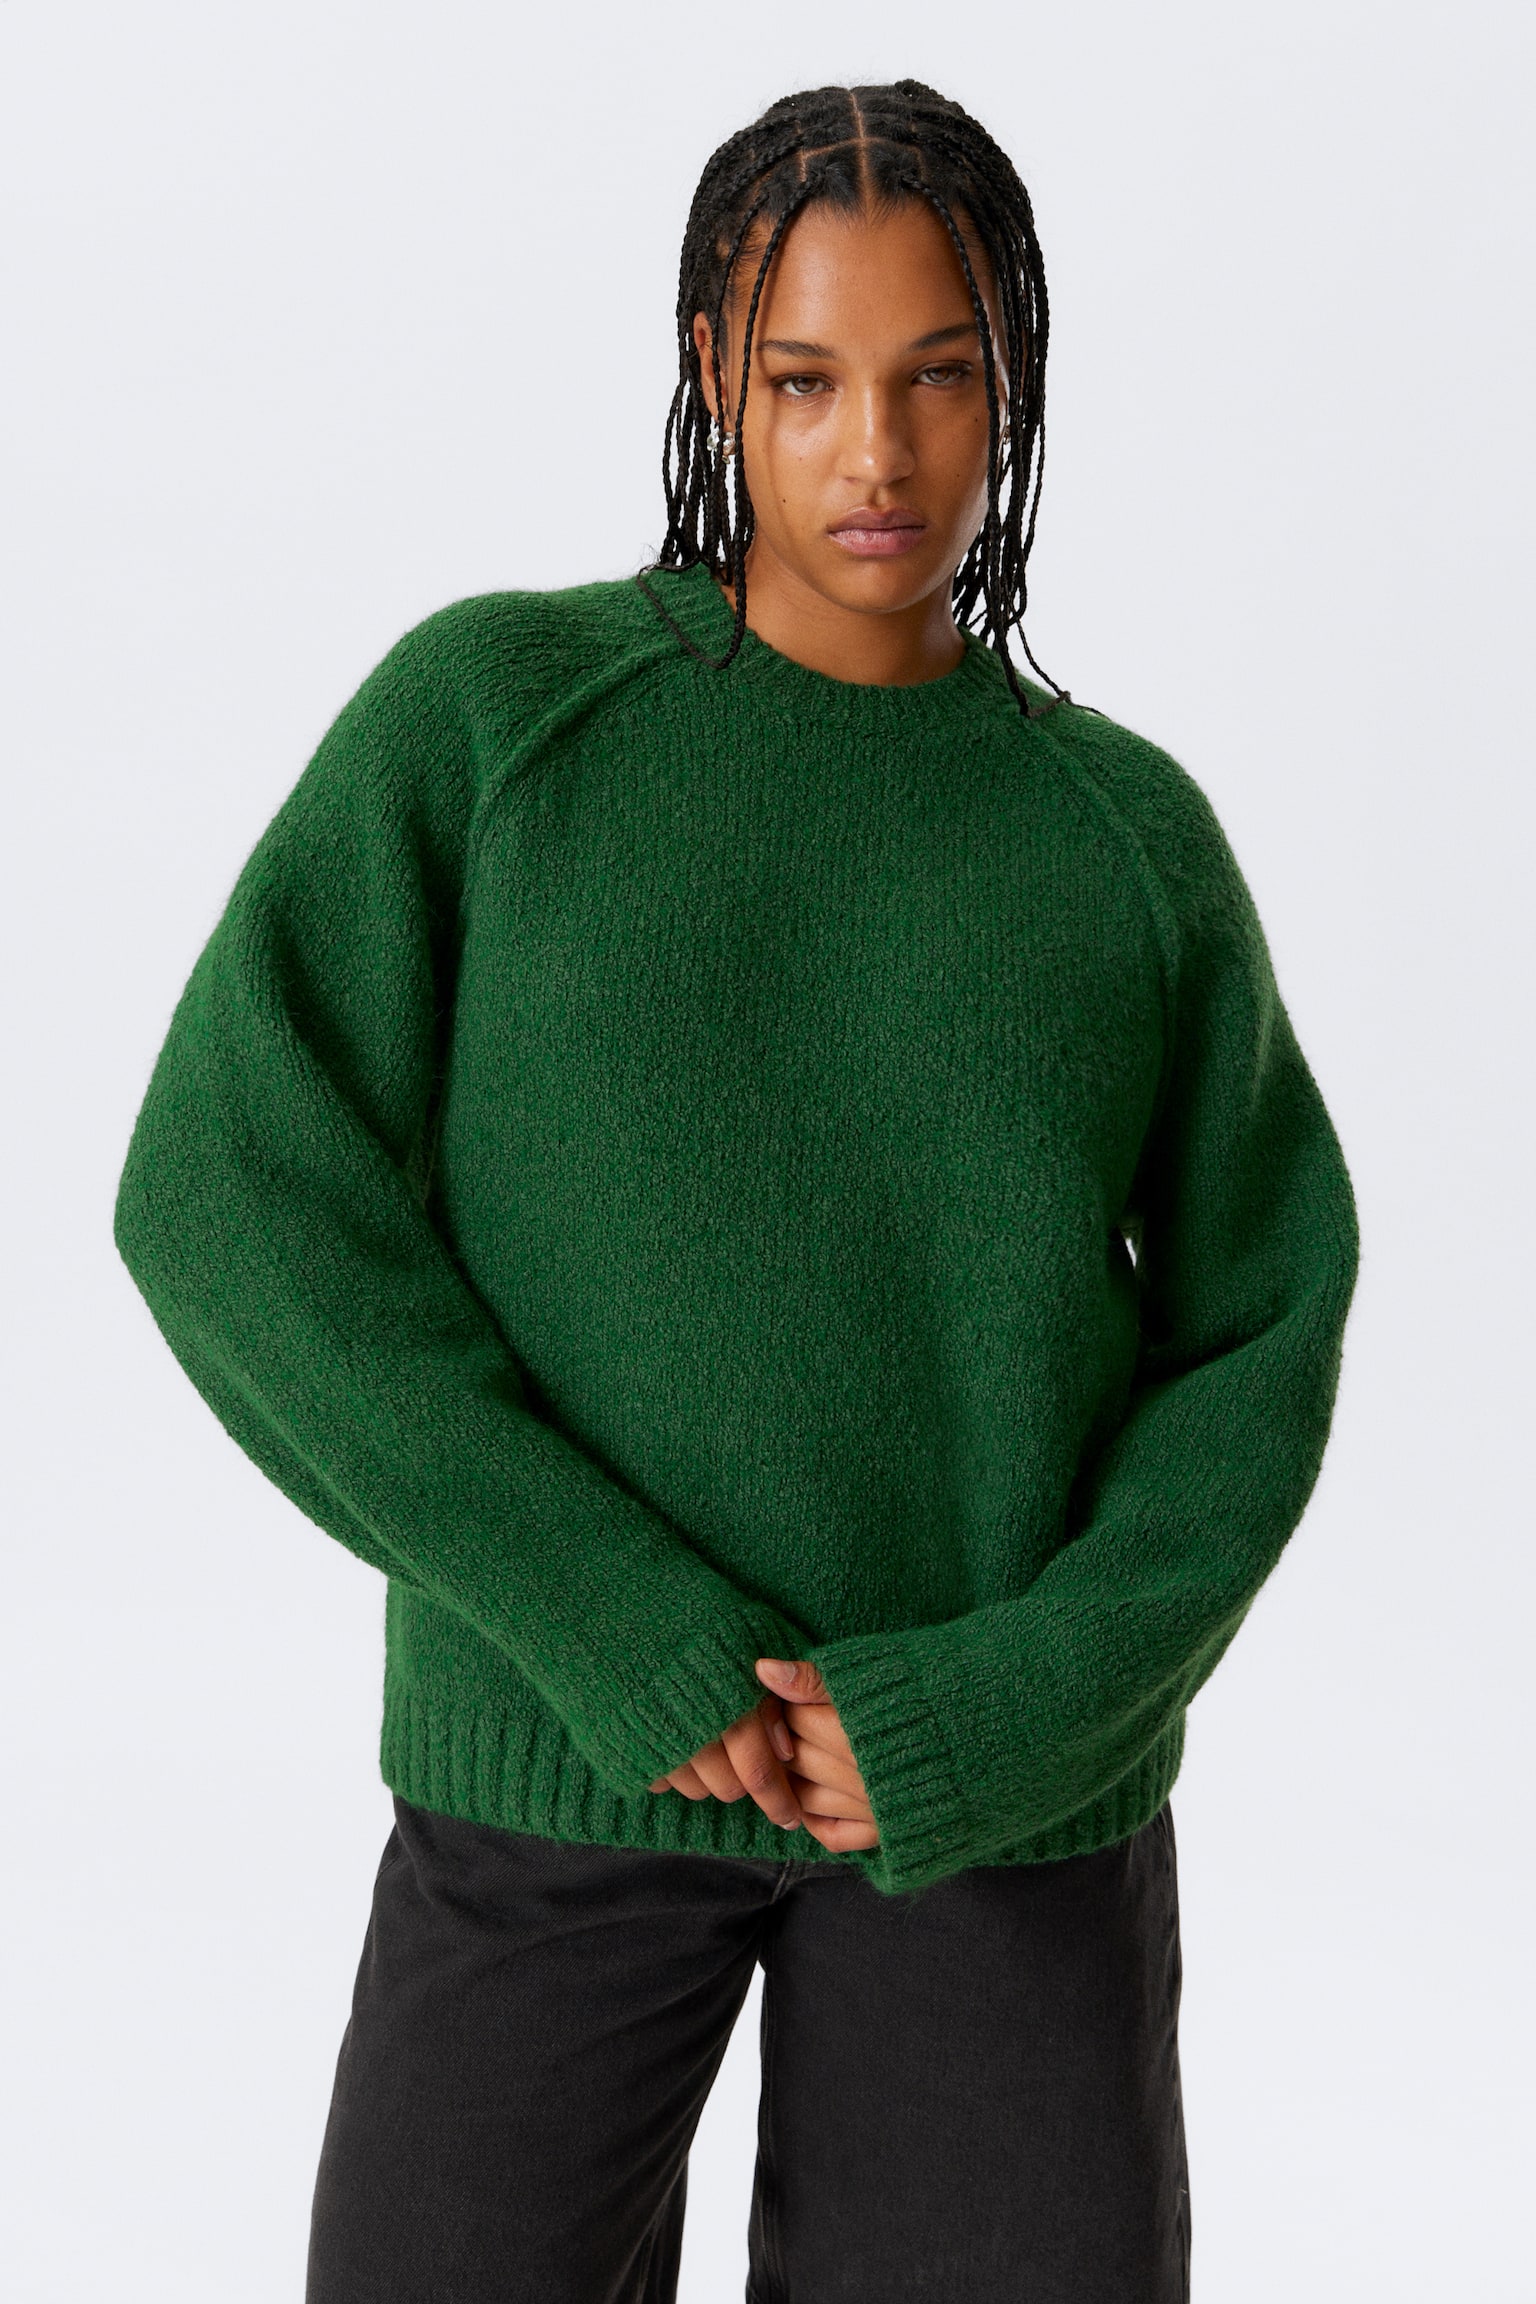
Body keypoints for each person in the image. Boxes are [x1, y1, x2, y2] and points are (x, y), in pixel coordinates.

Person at [113, 78, 1360, 2304]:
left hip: (992, 1813)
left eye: (937, 376)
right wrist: (604, 1619)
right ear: (713, 372)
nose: (876, 454)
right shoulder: (499, 724)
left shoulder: (1123, 842)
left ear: (1013, 381)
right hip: (550, 1764)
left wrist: (1009, 1709)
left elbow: (1259, 1335)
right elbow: (227, 1189)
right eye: (805, 381)